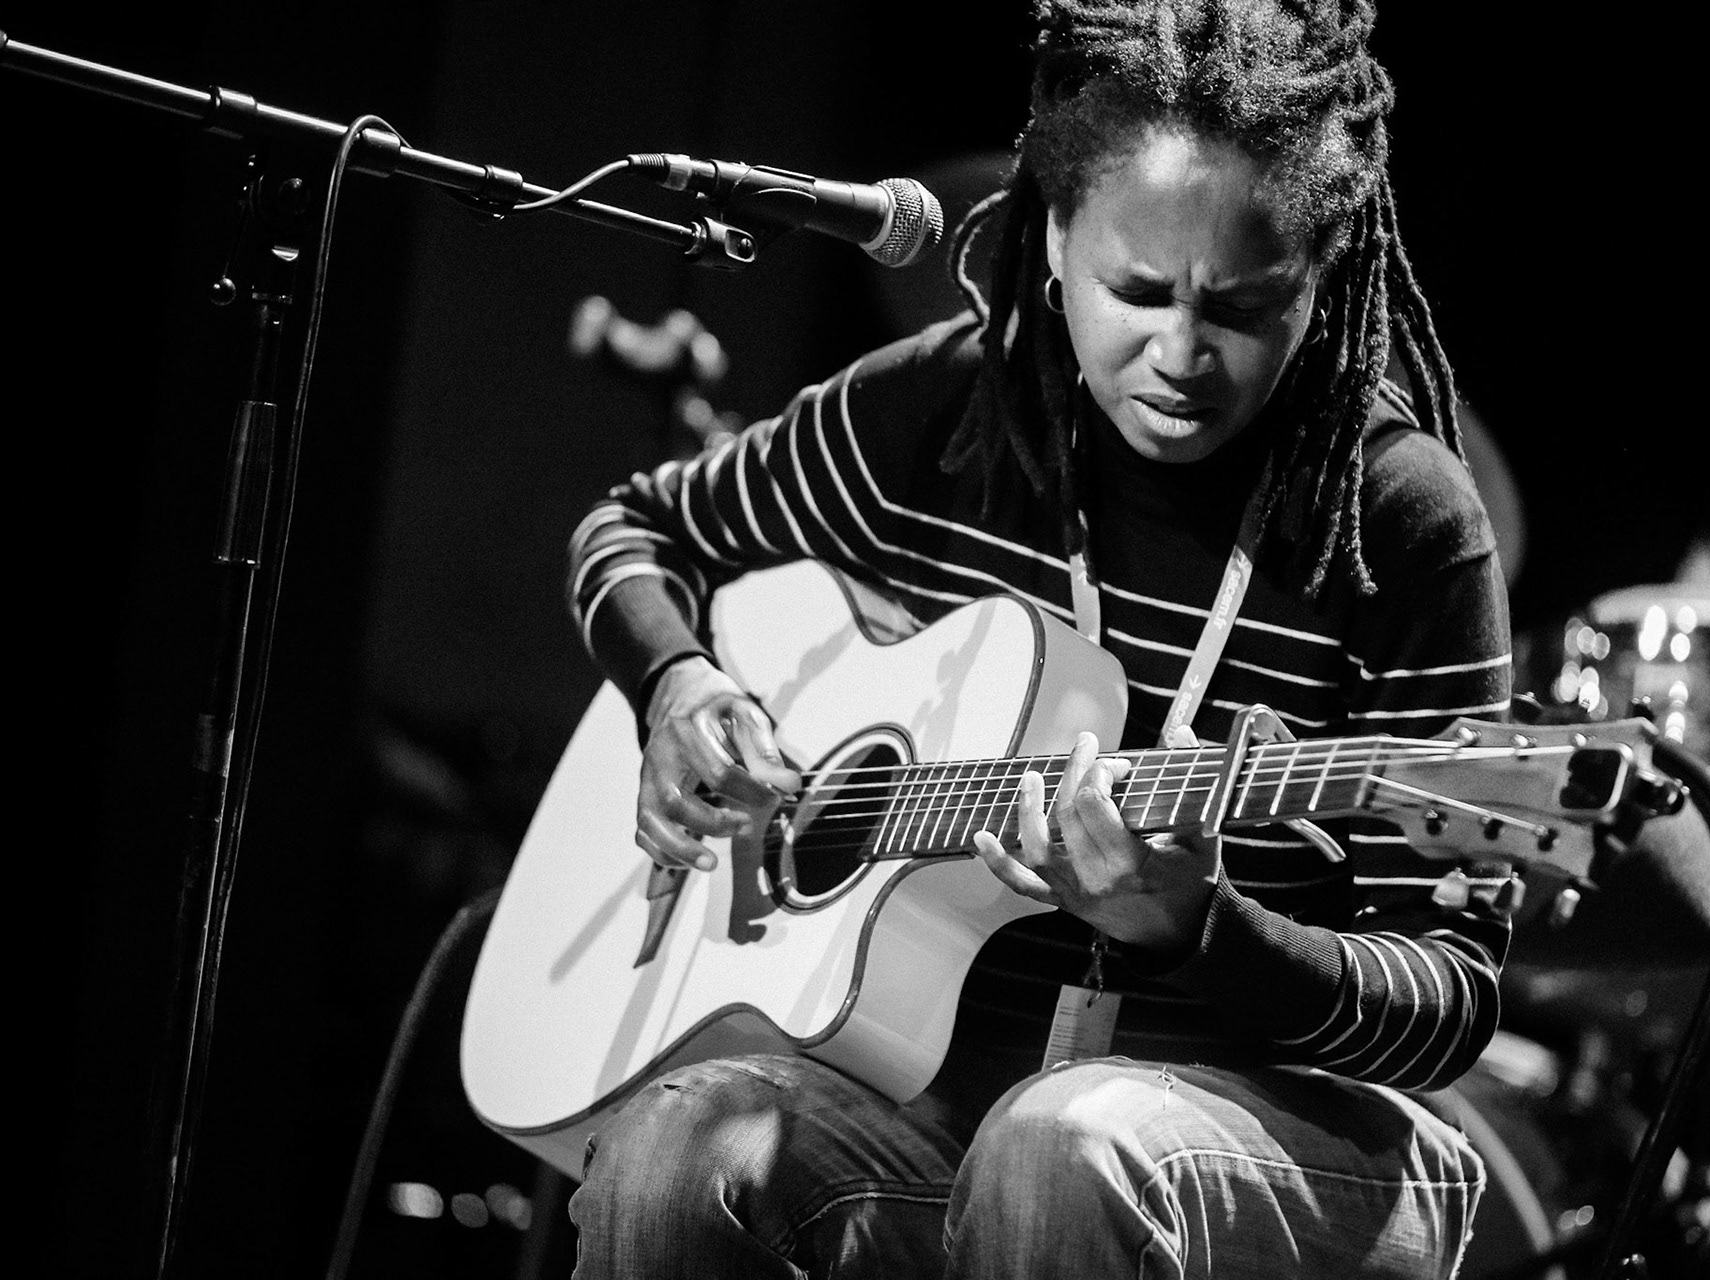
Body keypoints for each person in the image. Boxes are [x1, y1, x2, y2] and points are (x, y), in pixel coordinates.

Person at [564, 2, 1514, 1275]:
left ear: (1323, 272)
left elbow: (1451, 1000)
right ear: (1057, 239)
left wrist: (1203, 927)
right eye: (1138, 291)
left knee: (1063, 1143)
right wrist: (674, 682)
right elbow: (635, 531)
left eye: (1243, 306)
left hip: (1278, 1147)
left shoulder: (1399, 520)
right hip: (946, 1116)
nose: (1182, 353)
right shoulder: (949, 409)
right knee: (678, 1150)